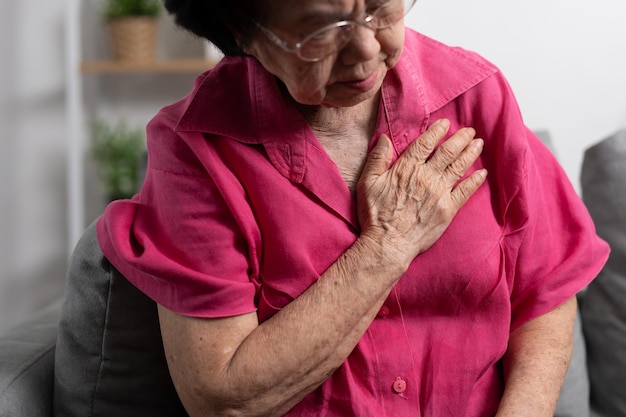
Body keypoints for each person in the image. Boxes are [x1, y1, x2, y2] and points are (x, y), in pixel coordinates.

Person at [96, 0, 609, 416]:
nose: (366, 49)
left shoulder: (475, 95)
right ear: (244, 31)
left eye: (381, 6)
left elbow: (546, 292)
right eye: (323, 28)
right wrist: (389, 245)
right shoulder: (196, 149)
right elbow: (224, 399)